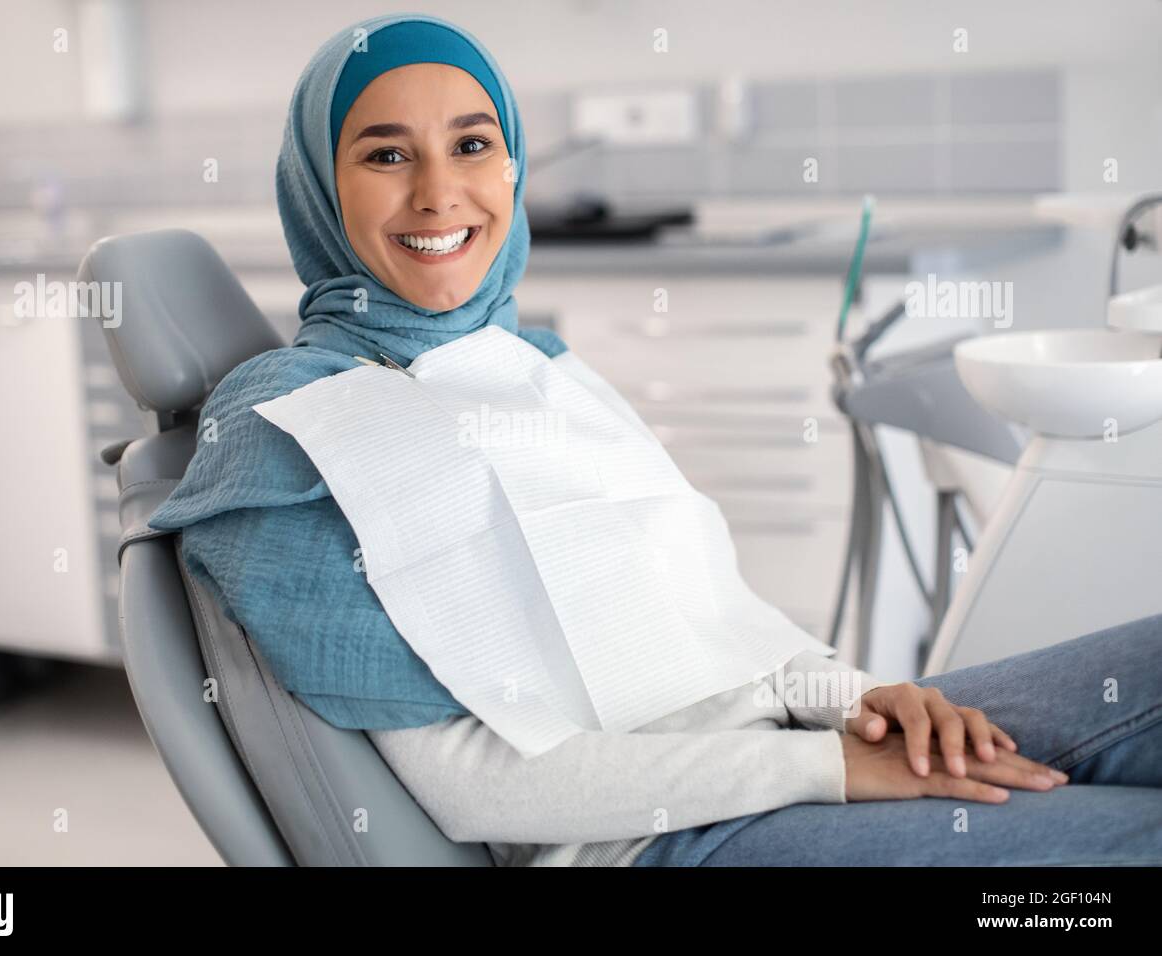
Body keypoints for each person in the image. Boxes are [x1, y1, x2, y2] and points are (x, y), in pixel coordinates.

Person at [148, 13, 1162, 867]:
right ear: (317, 187)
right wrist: (827, 767)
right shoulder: (291, 427)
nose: (437, 192)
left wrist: (858, 703)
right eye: (383, 153)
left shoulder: (533, 365)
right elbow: (471, 785)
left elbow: (716, 629)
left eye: (470, 143)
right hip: (657, 838)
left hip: (781, 736)